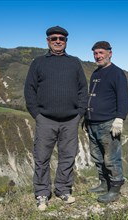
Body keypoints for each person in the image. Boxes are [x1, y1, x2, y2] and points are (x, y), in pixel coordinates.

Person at [24, 25, 88, 211]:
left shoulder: (74, 62)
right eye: (54, 38)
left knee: (68, 156)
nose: (58, 41)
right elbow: (30, 90)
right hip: (46, 119)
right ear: (48, 41)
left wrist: (80, 113)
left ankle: (63, 190)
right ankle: (42, 193)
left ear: (66, 41)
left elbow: (83, 89)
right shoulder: (38, 62)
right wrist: (37, 114)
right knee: (42, 157)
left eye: (61, 38)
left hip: (70, 120)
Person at [84, 41, 128, 204]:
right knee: (97, 157)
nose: (98, 56)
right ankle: (104, 184)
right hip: (92, 123)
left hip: (107, 123)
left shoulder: (116, 73)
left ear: (110, 53)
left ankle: (115, 189)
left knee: (111, 158)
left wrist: (120, 118)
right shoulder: (96, 73)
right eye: (95, 53)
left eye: (101, 53)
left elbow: (123, 97)